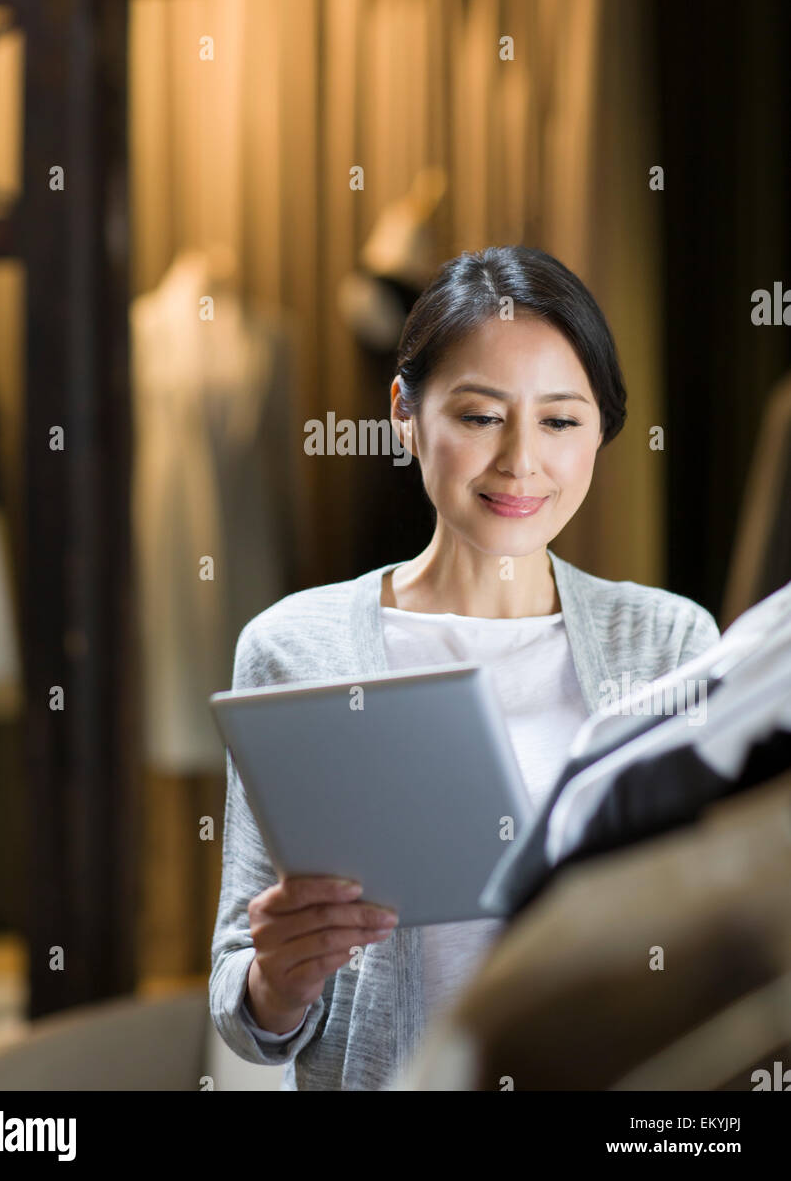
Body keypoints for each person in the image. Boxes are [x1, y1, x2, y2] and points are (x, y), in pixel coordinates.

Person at [209, 244, 721, 1091]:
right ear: (405, 416)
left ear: (602, 429)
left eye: (560, 421)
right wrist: (278, 982)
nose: (521, 460)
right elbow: (244, 1007)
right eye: (480, 416)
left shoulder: (668, 644)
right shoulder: (295, 647)